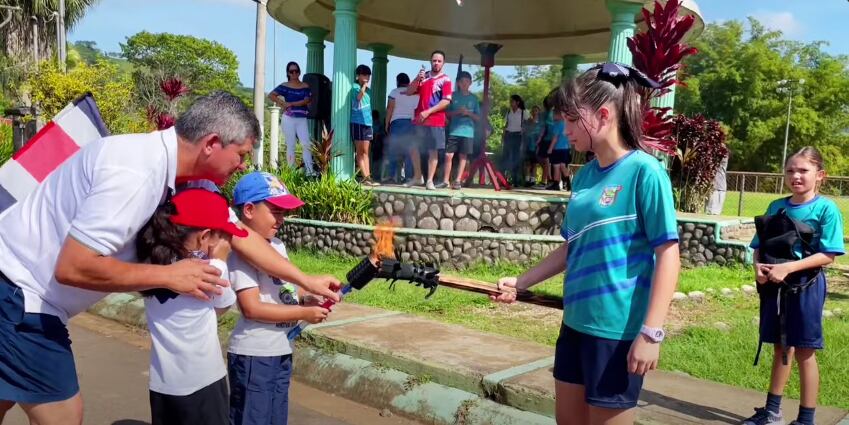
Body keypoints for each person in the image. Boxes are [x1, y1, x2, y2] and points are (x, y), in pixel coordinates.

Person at [0, 92, 340, 425]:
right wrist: (169, 276)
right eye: (240, 154)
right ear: (211, 143)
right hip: (20, 295)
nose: (243, 166)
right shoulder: (136, 174)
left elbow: (244, 238)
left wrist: (305, 280)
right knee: (62, 416)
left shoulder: (181, 179)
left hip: (22, 292)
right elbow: (73, 267)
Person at [492, 63, 681, 425]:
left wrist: (652, 332)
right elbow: (571, 247)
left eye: (572, 121)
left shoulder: (646, 172)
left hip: (616, 334)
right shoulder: (585, 177)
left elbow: (668, 254)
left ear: (604, 115)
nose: (565, 131)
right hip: (575, 325)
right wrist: (522, 282)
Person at [742, 147, 844, 425]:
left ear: (820, 175)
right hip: (774, 286)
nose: (795, 176)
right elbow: (758, 246)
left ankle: (806, 419)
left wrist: (788, 267)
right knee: (780, 347)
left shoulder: (826, 209)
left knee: (804, 350)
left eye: (803, 170)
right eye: (790, 170)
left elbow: (829, 255)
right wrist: (758, 268)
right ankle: (772, 411)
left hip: (805, 286)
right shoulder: (776, 206)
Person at [226, 171, 331, 425]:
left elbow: (283, 290)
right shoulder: (240, 252)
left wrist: (308, 297)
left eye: (284, 213)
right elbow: (251, 308)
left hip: (280, 349)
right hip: (255, 353)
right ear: (249, 210)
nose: (281, 220)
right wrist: (303, 314)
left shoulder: (277, 246)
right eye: (276, 212)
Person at [136, 188, 246, 425]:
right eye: (223, 236)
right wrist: (221, 260)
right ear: (204, 237)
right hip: (203, 382)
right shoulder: (207, 271)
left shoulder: (156, 266)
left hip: (163, 384)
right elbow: (224, 304)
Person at [407, 50, 453, 190]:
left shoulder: (446, 79)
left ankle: (429, 181)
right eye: (434, 60)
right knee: (413, 147)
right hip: (420, 119)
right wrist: (417, 78)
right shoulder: (424, 77)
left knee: (433, 151)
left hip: (436, 120)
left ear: (443, 63)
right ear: (430, 61)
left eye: (439, 61)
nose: (436, 63)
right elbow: (409, 91)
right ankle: (417, 176)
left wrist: (428, 112)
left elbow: (446, 101)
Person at [268, 61, 314, 174]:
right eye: (291, 71)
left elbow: (307, 100)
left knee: (306, 144)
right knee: (291, 144)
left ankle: (309, 170)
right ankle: (291, 171)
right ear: (288, 73)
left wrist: (291, 104)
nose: (294, 73)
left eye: (296, 71)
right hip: (288, 118)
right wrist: (282, 103)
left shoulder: (305, 86)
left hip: (302, 118)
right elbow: (271, 95)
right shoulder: (285, 85)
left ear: (299, 72)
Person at [442, 71, 480, 190]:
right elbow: (445, 113)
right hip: (454, 130)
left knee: (463, 156)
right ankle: (445, 180)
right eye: (462, 82)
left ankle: (458, 180)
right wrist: (457, 112)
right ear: (458, 83)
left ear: (470, 83)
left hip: (468, 131)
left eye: (467, 82)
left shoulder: (474, 98)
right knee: (448, 155)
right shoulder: (452, 96)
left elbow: (478, 118)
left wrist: (468, 113)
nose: (464, 84)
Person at [385, 73, 419, 184]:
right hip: (411, 123)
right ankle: (408, 177)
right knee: (409, 152)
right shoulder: (415, 94)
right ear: (409, 81)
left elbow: (390, 109)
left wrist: (387, 124)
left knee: (393, 151)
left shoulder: (394, 92)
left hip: (396, 123)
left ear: (397, 81)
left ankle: (391, 176)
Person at [351, 64, 377, 186]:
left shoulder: (370, 92)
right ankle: (364, 177)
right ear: (358, 75)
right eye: (364, 74)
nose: (367, 77)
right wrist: (364, 86)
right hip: (357, 122)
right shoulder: (354, 87)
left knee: (366, 151)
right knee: (360, 151)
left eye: (368, 75)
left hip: (367, 123)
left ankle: (368, 176)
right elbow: (358, 97)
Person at [502, 94, 528, 186]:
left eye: (512, 101)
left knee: (516, 158)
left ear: (517, 102)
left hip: (517, 135)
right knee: (506, 156)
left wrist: (524, 130)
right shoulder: (509, 112)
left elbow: (528, 123)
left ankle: (516, 180)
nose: (510, 103)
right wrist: (503, 135)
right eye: (510, 101)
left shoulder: (523, 112)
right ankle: (503, 179)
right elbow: (505, 125)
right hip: (509, 135)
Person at [546, 110, 572, 191]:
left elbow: (555, 138)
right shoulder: (566, 124)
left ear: (559, 115)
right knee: (563, 166)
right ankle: (568, 183)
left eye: (554, 114)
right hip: (566, 148)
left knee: (556, 166)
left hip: (558, 148)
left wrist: (550, 148)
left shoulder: (558, 124)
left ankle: (556, 184)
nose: (552, 116)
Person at [523, 106, 543, 187]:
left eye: (537, 111)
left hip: (536, 146)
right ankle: (527, 180)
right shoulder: (528, 122)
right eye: (534, 110)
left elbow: (541, 134)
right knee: (528, 163)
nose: (535, 112)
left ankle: (533, 180)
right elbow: (525, 132)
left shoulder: (540, 123)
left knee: (534, 164)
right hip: (528, 144)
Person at [707, 147, 729, 215]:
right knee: (711, 211)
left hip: (719, 187)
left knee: (715, 211)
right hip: (715, 186)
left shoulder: (722, 157)